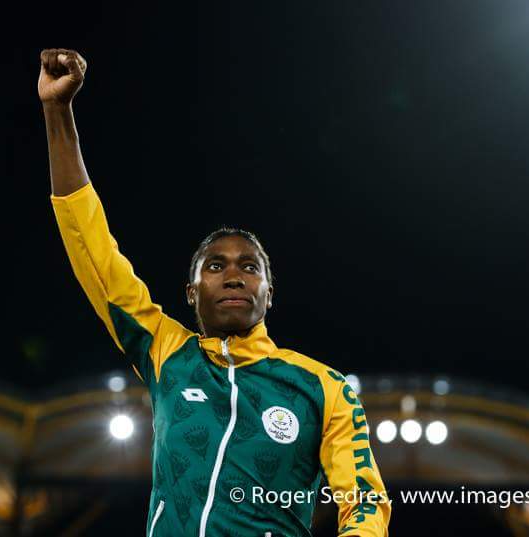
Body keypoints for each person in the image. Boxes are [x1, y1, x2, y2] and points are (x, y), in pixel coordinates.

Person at [39, 47, 390, 537]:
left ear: (269, 293)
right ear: (190, 292)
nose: (233, 275)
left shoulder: (323, 388)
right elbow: (93, 249)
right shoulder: (166, 353)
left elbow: (365, 503)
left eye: (250, 267)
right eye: (215, 266)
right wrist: (58, 112)